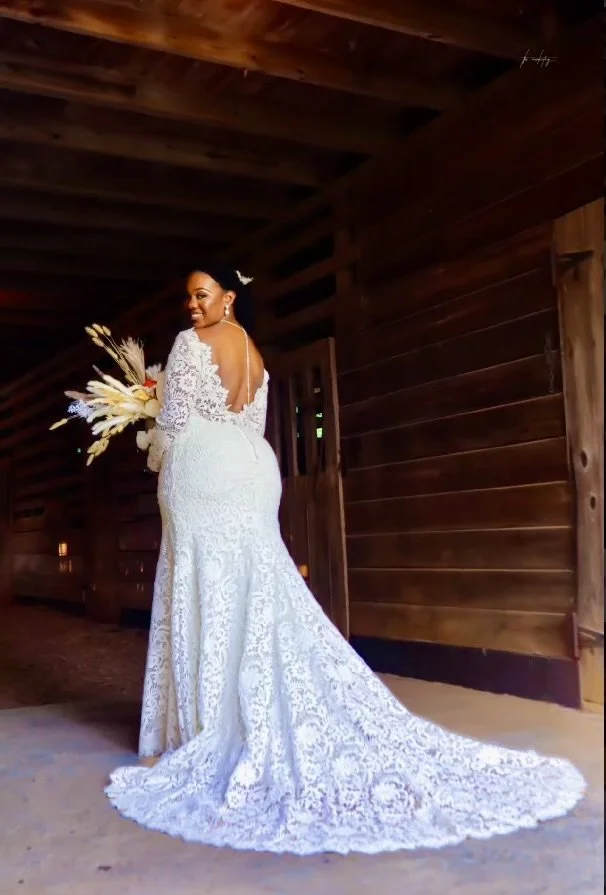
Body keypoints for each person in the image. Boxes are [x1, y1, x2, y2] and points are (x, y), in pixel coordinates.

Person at [106, 264, 585, 855]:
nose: (191, 306)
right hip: (255, 472)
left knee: (202, 583)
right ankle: (231, 712)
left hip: (203, 472)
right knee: (258, 587)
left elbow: (176, 424)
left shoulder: (187, 346)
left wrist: (161, 449)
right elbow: (249, 422)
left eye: (200, 295)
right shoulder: (254, 356)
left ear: (227, 299)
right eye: (187, 298)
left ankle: (198, 731)